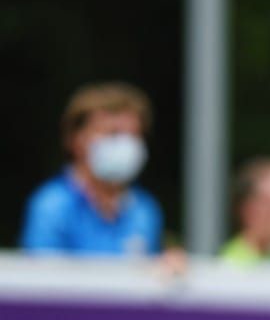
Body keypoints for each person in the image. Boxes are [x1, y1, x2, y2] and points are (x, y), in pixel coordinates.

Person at [20, 83, 166, 256]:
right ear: (76, 140)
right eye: (113, 133)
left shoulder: (144, 210)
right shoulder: (52, 206)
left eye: (134, 135)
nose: (125, 144)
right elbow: (42, 270)